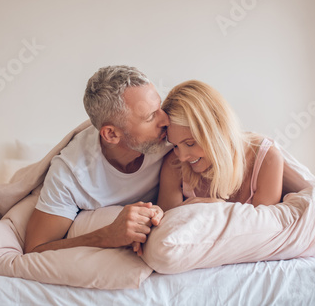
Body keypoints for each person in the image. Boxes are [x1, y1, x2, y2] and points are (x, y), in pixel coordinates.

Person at [24, 65, 172, 255]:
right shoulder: (71, 174)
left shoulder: (172, 138)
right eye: (151, 117)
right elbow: (35, 249)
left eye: (159, 107)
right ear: (111, 134)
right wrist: (108, 236)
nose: (166, 120)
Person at [157, 80, 284, 211]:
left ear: (217, 131)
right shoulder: (174, 164)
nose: (182, 157)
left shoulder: (267, 160)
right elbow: (167, 227)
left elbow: (264, 229)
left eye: (190, 143)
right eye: (175, 146)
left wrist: (220, 210)